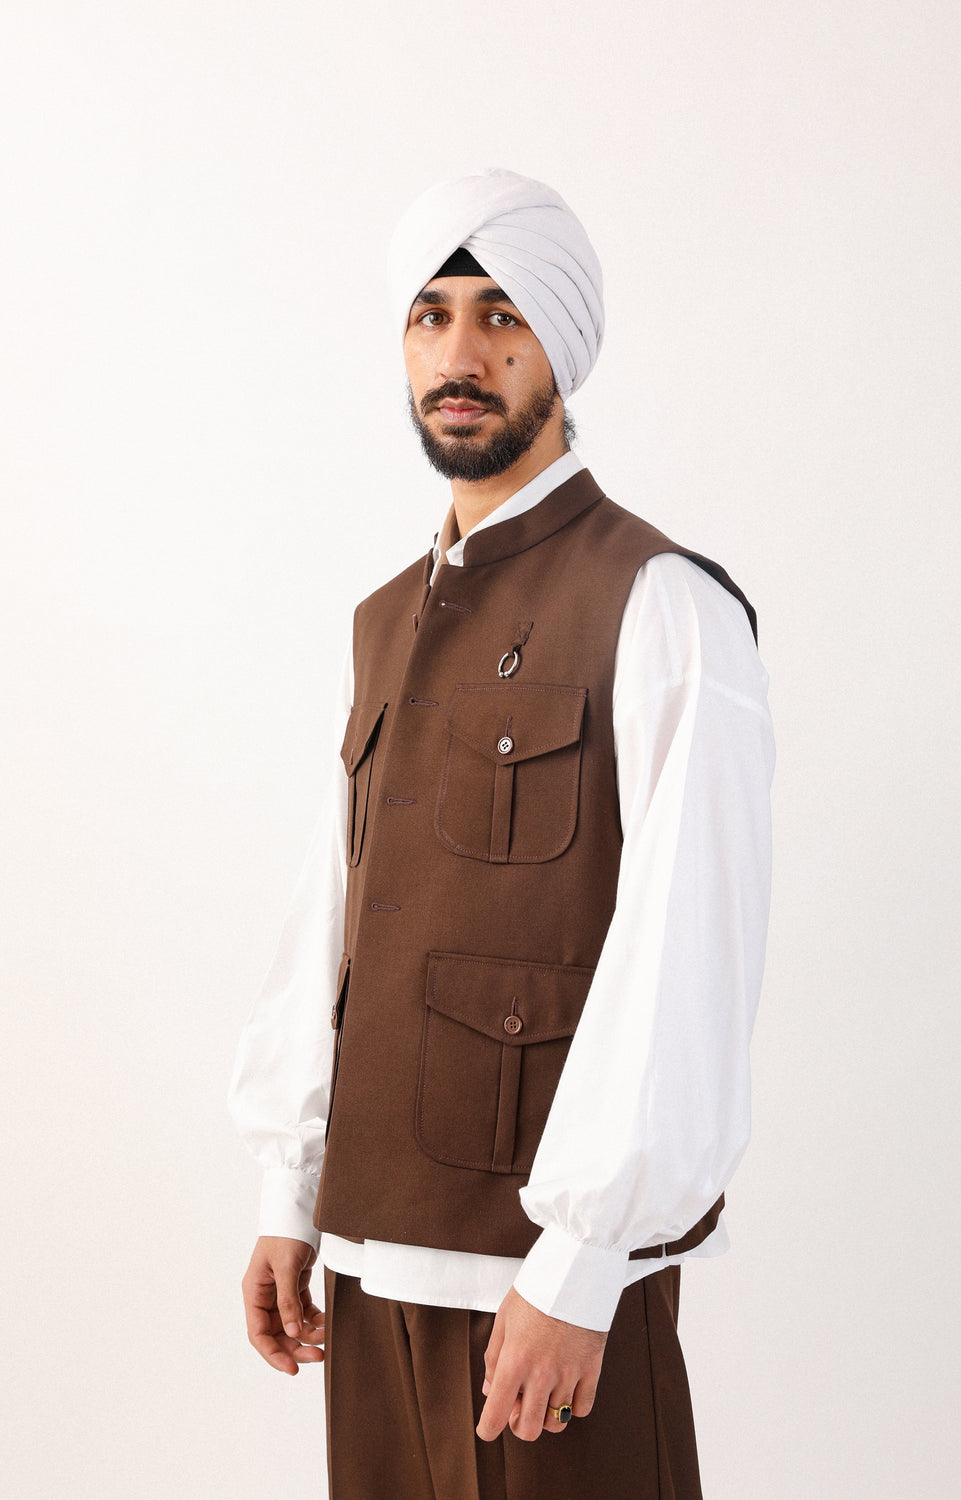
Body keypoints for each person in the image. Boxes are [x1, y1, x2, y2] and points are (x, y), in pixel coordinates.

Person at [229, 168, 774, 1500]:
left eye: (501, 315)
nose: (459, 356)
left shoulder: (662, 605)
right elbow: (335, 922)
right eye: (430, 316)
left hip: (547, 1292)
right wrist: (290, 1194)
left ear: (560, 346)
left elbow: (685, 960)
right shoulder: (380, 622)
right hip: (368, 1265)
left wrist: (583, 1266)